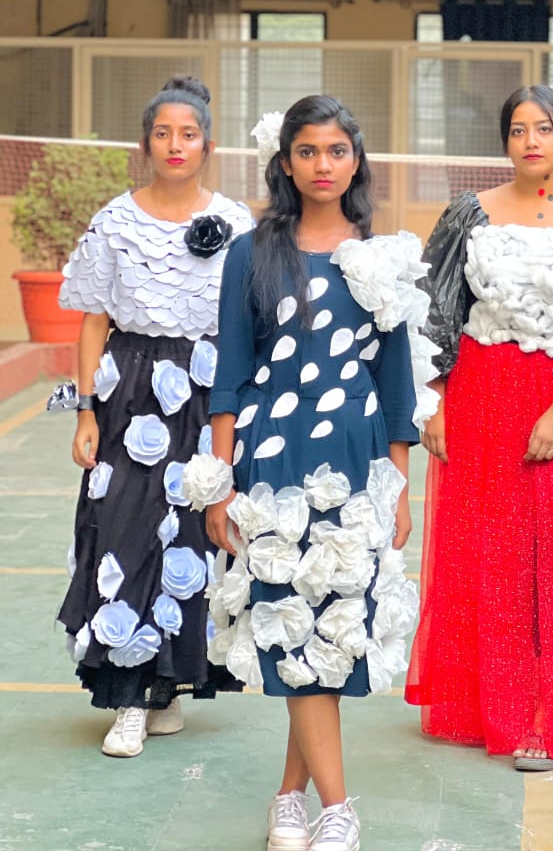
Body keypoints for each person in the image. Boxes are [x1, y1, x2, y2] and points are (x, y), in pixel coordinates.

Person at [186, 95, 428, 851]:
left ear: (356, 161)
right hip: (272, 463)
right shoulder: (251, 253)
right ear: (285, 162)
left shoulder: (382, 257)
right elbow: (229, 374)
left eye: (337, 151)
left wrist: (397, 487)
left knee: (328, 629)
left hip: (356, 462)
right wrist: (220, 481)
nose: (323, 165)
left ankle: (289, 798)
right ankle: (337, 807)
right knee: (289, 618)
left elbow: (397, 385)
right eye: (308, 151)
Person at [404, 84, 553, 769]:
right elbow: (436, 310)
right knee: (491, 551)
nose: (530, 141)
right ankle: (491, 704)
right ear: (504, 140)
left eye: (544, 128)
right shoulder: (468, 214)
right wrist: (435, 402)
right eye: (517, 130)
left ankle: (550, 713)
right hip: (480, 393)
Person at [57, 76, 255, 758]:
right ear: (145, 144)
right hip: (128, 395)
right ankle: (128, 699)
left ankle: (166, 686)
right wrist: (86, 411)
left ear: (208, 146)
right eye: (163, 133)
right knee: (123, 531)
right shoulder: (115, 222)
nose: (176, 145)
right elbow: (93, 323)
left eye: (188, 134)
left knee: (195, 537)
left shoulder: (236, 224)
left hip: (207, 397)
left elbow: (247, 326)